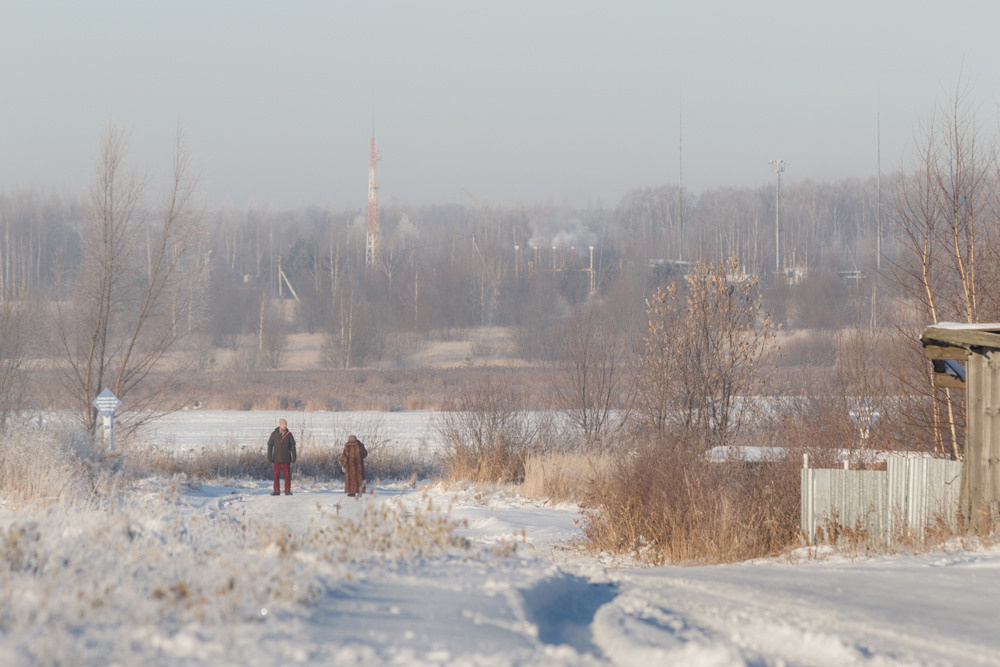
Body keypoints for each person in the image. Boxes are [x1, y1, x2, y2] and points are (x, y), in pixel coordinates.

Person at [266, 418, 297, 496]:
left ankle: (287, 491)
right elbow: (270, 445)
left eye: (286, 425)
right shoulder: (274, 434)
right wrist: (269, 456)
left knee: (287, 476)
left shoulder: (289, 434)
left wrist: (294, 456)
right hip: (277, 458)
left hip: (286, 458)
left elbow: (293, 446)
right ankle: (276, 491)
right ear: (280, 425)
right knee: (276, 476)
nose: (285, 426)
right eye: (284, 425)